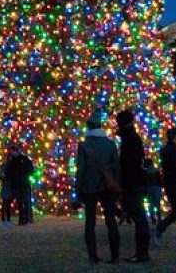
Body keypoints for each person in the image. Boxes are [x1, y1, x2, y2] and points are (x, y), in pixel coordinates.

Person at [74, 108, 120, 264]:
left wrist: (78, 190)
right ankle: (115, 254)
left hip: (89, 186)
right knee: (111, 221)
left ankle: (93, 255)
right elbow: (116, 167)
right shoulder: (110, 144)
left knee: (90, 222)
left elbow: (81, 169)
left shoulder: (84, 145)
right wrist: (117, 186)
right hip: (108, 186)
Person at [116, 110, 150, 263]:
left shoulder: (130, 139)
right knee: (139, 217)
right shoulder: (133, 137)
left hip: (132, 183)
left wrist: (123, 184)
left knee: (139, 217)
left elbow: (127, 164)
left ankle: (142, 253)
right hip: (136, 182)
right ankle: (142, 252)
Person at [6, 145, 34, 225]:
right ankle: (22, 220)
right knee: (20, 203)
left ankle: (27, 219)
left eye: (12, 152)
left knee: (26, 202)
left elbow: (31, 170)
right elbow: (9, 172)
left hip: (24, 184)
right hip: (18, 185)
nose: (11, 154)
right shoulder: (12, 161)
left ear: (16, 151)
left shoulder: (24, 160)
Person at [145, 158, 162, 225]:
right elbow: (159, 180)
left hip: (149, 188)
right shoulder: (156, 171)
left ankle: (153, 219)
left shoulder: (146, 172)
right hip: (157, 188)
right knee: (157, 204)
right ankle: (159, 218)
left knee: (151, 204)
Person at [0, 152, 14, 225]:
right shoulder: (5, 165)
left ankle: (8, 219)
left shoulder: (12, 165)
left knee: (8, 204)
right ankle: (4, 219)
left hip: (10, 186)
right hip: (6, 186)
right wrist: (4, 179)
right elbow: (1, 175)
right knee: (5, 204)